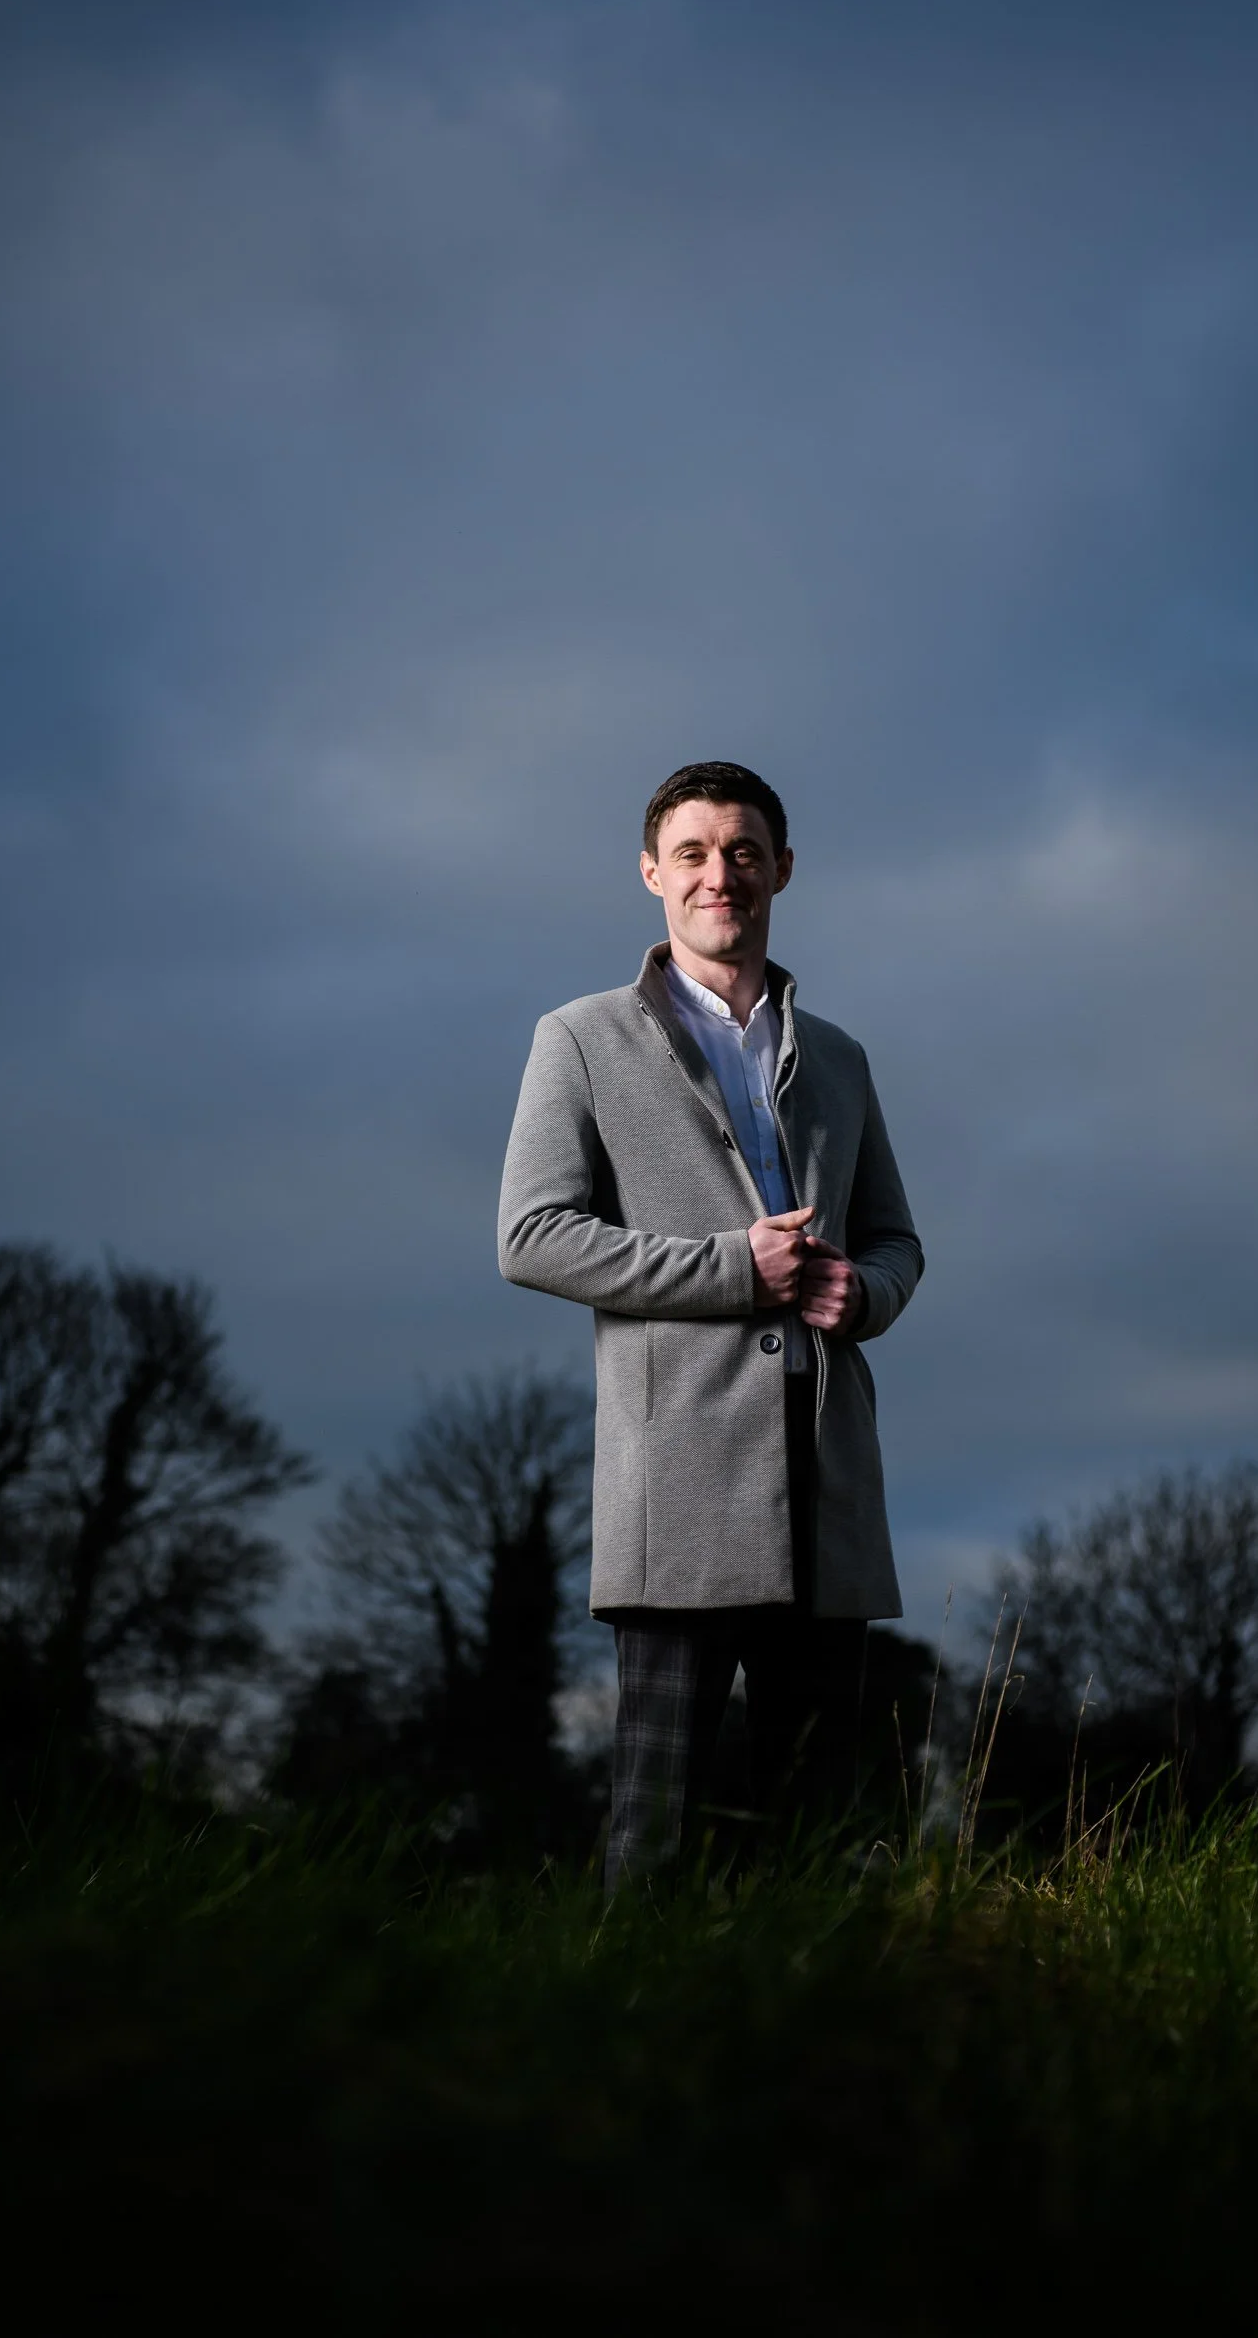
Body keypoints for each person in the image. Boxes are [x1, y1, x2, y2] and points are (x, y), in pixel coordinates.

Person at [498, 761, 922, 1891]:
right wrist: (735, 1270)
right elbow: (531, 1236)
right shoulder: (577, 1038)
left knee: (820, 1842)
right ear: (650, 874)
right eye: (690, 852)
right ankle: (631, 2048)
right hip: (675, 1487)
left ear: (781, 869)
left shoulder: (838, 1055)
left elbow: (893, 1240)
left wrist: (862, 1294)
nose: (716, 872)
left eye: (741, 850)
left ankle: (812, 2053)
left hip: (825, 1488)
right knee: (652, 1841)